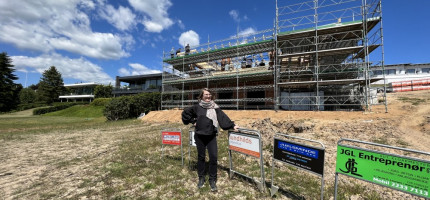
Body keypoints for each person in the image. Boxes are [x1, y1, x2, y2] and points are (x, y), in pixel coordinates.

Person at [182, 88, 239, 192]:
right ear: (201, 96)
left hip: (211, 135)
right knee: (201, 157)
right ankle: (201, 178)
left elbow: (223, 117)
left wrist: (232, 125)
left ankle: (212, 179)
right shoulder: (197, 107)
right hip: (199, 136)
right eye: (206, 94)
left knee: (213, 157)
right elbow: (185, 113)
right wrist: (193, 121)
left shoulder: (215, 107)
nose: (208, 96)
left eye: (209, 95)